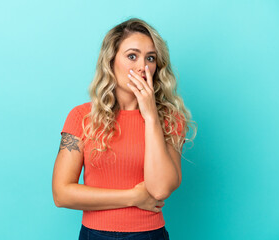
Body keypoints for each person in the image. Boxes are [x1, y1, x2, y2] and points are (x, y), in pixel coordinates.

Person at [52, 17, 196, 240]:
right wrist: (132, 197)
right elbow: (61, 194)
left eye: (150, 58)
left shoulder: (169, 119)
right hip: (95, 234)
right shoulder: (81, 117)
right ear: (111, 62)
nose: (143, 67)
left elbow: (160, 190)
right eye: (132, 56)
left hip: (149, 235)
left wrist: (150, 116)